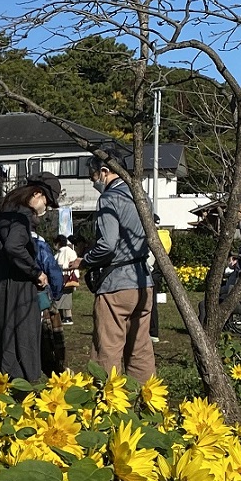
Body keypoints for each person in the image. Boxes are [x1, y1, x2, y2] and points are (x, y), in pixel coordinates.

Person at [0, 174, 57, 383]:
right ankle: (19, 389)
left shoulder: (2, 215)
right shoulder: (22, 216)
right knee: (19, 341)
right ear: (36, 194)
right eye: (46, 202)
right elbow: (14, 246)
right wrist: (36, 272)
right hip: (17, 289)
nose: (45, 209)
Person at [81, 152, 155, 383]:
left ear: (104, 172)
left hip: (116, 283)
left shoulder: (109, 199)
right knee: (140, 349)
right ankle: (146, 403)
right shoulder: (141, 196)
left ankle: (107, 404)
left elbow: (107, 245)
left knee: (108, 349)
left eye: (92, 177)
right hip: (143, 281)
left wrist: (84, 261)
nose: (93, 182)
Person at [35, 228, 67, 376]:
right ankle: (53, 366)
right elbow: (54, 273)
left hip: (15, 298)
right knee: (48, 336)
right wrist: (54, 294)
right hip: (40, 295)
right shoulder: (39, 244)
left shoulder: (5, 238)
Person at [54, 235, 80, 324]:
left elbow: (62, 264)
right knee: (65, 297)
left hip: (65, 277)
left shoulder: (63, 251)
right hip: (67, 277)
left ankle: (68, 317)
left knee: (65, 297)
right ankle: (64, 316)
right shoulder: (69, 251)